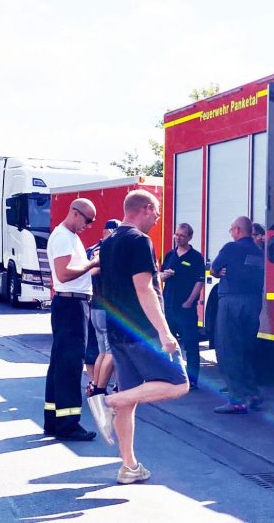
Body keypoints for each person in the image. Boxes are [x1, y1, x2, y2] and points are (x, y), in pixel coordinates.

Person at [87, 190, 189, 485]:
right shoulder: (139, 241)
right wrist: (165, 332)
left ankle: (129, 466)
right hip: (142, 331)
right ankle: (109, 400)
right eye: (157, 213)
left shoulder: (108, 243)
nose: (157, 220)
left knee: (129, 403)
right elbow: (144, 289)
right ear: (145, 209)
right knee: (178, 384)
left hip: (118, 331)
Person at [44, 198, 100, 441]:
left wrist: (91, 266)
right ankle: (68, 424)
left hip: (70, 303)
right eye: (88, 220)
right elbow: (64, 274)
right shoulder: (64, 237)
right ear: (75, 213)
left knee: (60, 363)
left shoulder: (68, 236)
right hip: (71, 304)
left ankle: (54, 420)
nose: (88, 226)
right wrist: (92, 263)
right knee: (70, 364)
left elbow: (72, 271)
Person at [210, 216, 264, 414]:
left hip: (232, 302)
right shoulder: (259, 251)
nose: (231, 233)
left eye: (231, 229)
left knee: (228, 350)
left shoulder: (231, 248)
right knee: (245, 349)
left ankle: (236, 400)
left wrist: (220, 273)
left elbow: (214, 269)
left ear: (238, 230)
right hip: (253, 303)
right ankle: (252, 393)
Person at [159, 223, 205, 389]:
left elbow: (199, 282)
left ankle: (192, 380)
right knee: (168, 343)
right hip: (169, 306)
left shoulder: (195, 257)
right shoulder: (170, 255)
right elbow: (160, 276)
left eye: (182, 236)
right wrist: (163, 275)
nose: (178, 238)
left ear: (190, 237)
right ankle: (171, 377)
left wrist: (190, 302)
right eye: (176, 235)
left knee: (191, 344)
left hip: (185, 308)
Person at [86, 219, 120, 398]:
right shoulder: (109, 251)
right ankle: (100, 388)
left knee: (102, 351)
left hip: (95, 305)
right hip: (108, 307)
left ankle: (94, 386)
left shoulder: (92, 249)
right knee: (111, 351)